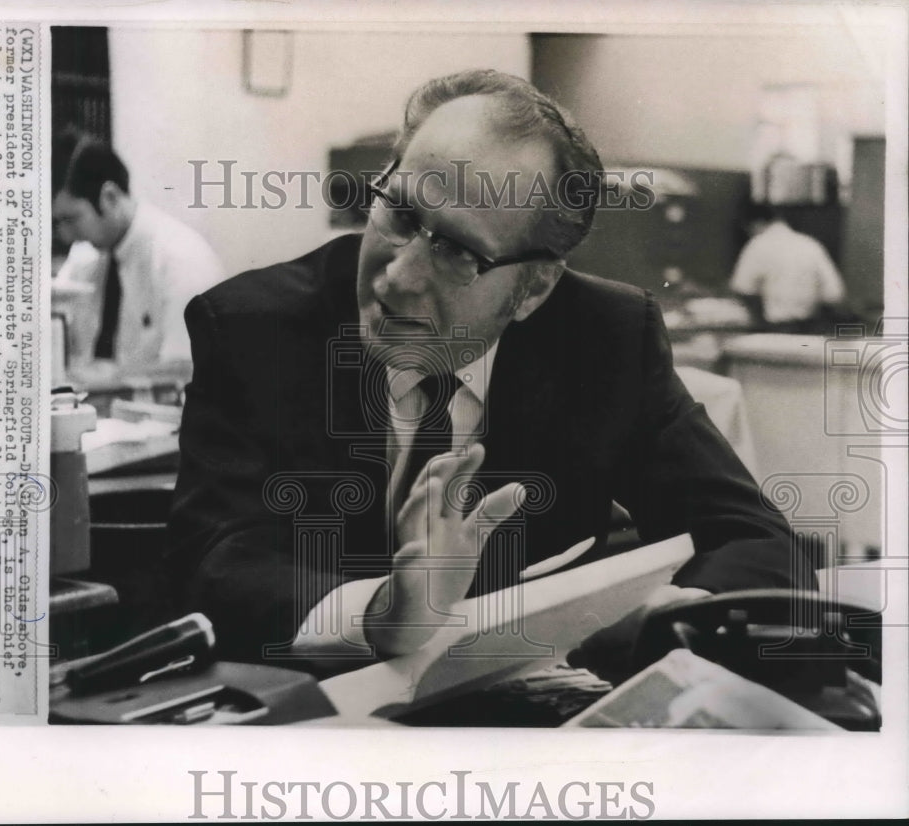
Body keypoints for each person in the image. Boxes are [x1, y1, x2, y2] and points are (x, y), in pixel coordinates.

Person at [167, 70, 816, 672]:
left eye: (455, 251)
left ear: (533, 287)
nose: (398, 276)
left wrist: (668, 620)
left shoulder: (605, 339)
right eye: (400, 213)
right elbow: (216, 558)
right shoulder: (253, 328)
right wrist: (385, 614)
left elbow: (756, 540)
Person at [51, 131, 225, 376]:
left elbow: (188, 372)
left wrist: (112, 376)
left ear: (109, 197)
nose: (65, 235)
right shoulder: (84, 256)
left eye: (71, 219)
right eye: (58, 223)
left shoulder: (182, 259)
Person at [730, 203, 847, 334]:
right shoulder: (811, 245)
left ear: (755, 224)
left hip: (775, 329)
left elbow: (742, 288)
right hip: (812, 329)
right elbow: (835, 294)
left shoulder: (758, 244)